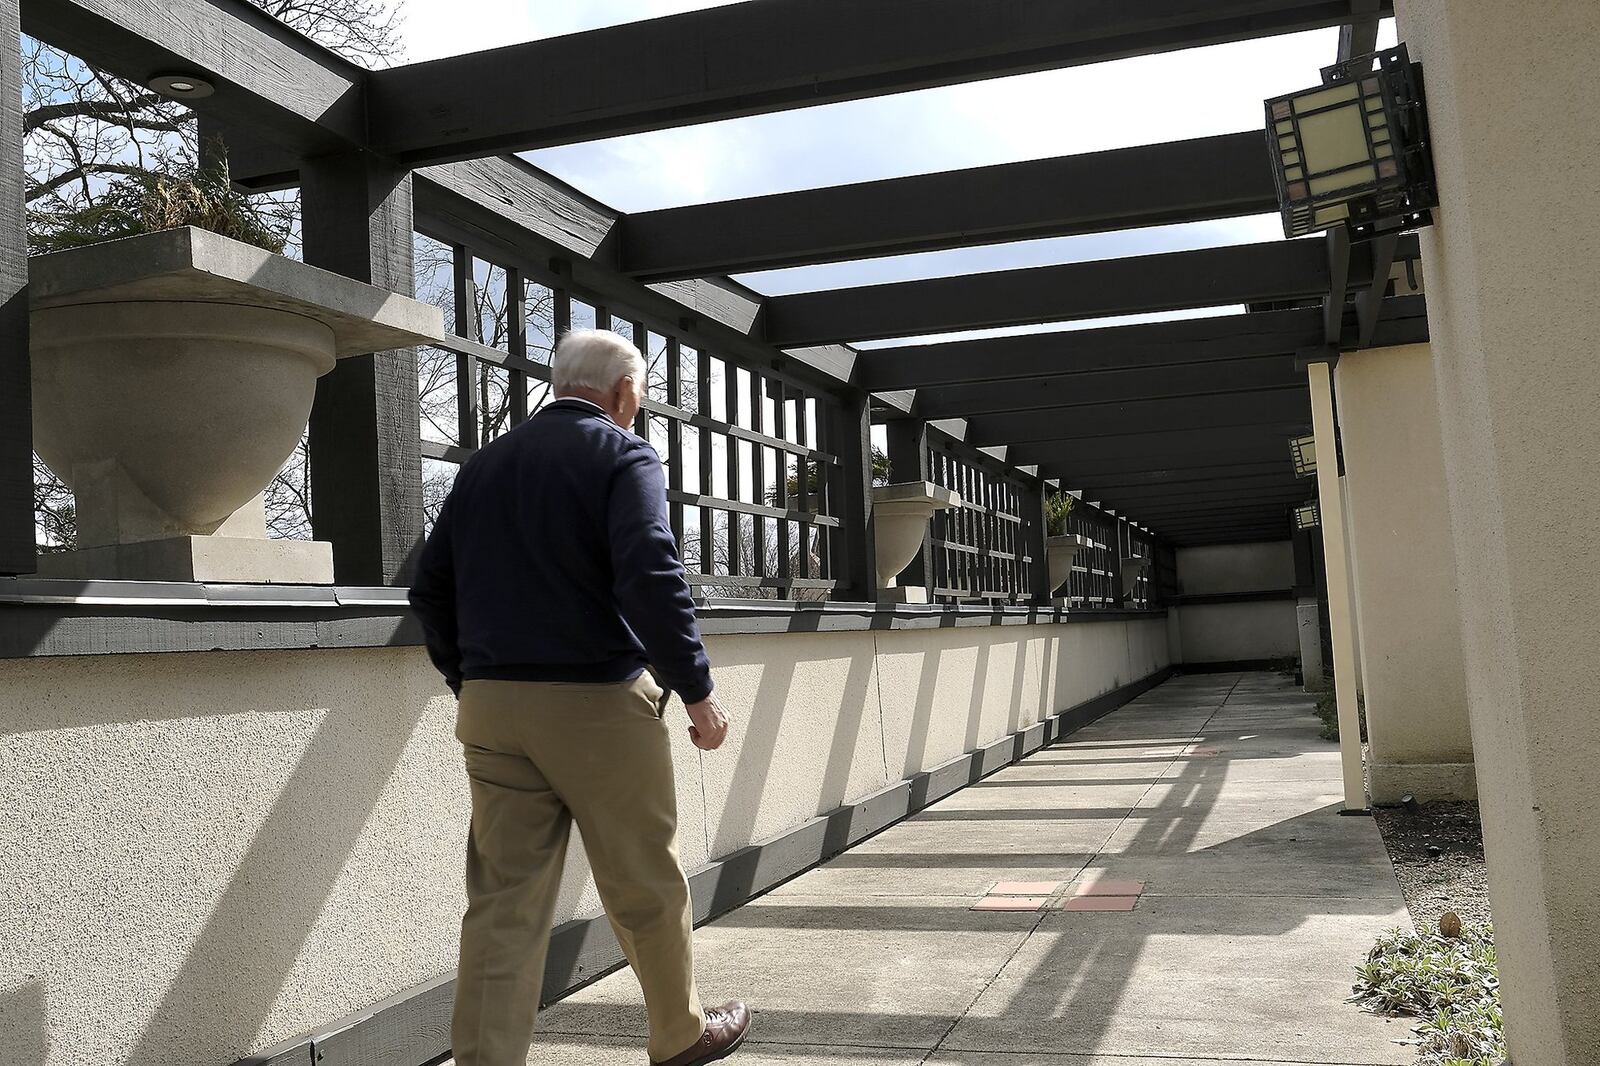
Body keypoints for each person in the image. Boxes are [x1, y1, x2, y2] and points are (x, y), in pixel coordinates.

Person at [409, 328, 750, 1066]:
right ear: (625, 394)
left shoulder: (484, 467)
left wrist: (469, 679)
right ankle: (680, 1034)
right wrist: (697, 692)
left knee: (504, 904)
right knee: (642, 880)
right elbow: (650, 574)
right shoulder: (623, 454)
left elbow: (429, 588)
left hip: (494, 710)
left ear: (560, 384)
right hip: (596, 702)